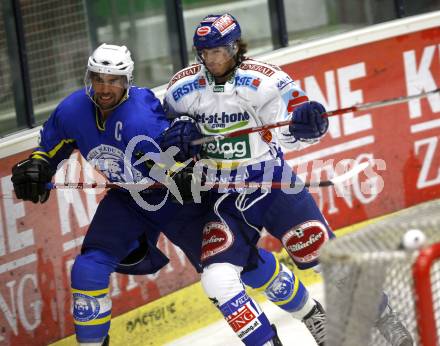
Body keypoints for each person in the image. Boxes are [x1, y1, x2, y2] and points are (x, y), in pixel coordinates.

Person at [161, 13, 414, 346]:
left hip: (272, 182)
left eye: (219, 51)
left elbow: (294, 127)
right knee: (217, 278)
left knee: (326, 257)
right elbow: (164, 143)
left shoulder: (265, 80)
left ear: (236, 47)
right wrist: (175, 146)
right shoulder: (181, 89)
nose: (213, 59)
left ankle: (385, 317)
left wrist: (308, 125)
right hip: (222, 194)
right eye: (206, 53)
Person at [10, 43, 207, 346]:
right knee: (87, 269)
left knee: (227, 265)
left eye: (113, 80)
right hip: (128, 199)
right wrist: (37, 167)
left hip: (172, 200)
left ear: (127, 81)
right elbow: (49, 150)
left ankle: (297, 314)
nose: (104, 87)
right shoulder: (73, 110)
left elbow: (163, 164)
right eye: (98, 77)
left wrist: (181, 175)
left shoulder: (139, 116)